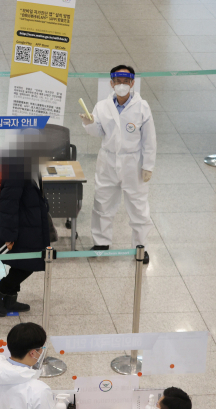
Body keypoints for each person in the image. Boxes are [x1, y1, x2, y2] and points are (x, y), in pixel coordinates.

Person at [80, 65, 156, 265]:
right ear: (111, 83)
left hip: (133, 162)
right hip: (108, 160)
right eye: (118, 82)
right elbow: (98, 132)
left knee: (138, 206)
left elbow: (150, 140)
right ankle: (101, 243)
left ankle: (140, 247)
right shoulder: (102, 106)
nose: (122, 85)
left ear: (132, 83)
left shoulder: (142, 107)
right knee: (102, 202)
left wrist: (148, 165)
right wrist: (89, 124)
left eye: (126, 81)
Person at [0, 147, 51, 314]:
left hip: (29, 225)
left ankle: (9, 299)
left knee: (23, 262)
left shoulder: (29, 165)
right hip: (20, 228)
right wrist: (8, 236)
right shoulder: (17, 170)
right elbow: (9, 206)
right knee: (28, 263)